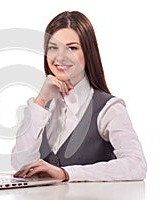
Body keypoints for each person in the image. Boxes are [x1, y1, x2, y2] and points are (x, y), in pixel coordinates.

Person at [11, 11, 147, 182]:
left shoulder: (108, 108)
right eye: (53, 47)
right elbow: (19, 164)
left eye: (72, 48)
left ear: (88, 52)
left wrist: (66, 174)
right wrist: (40, 100)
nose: (60, 57)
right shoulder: (42, 107)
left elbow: (137, 165)